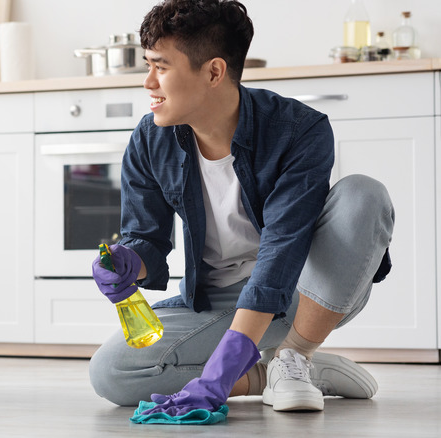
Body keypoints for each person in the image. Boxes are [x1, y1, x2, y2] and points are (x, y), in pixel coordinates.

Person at [89, 0, 394, 417]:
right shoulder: (149, 139)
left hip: (305, 291)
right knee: (112, 372)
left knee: (364, 194)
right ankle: (278, 373)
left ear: (214, 71)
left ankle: (297, 352)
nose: (148, 82)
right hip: (216, 301)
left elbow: (283, 250)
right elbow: (147, 239)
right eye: (148, 65)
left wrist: (221, 372)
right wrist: (129, 261)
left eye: (161, 67)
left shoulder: (299, 129)